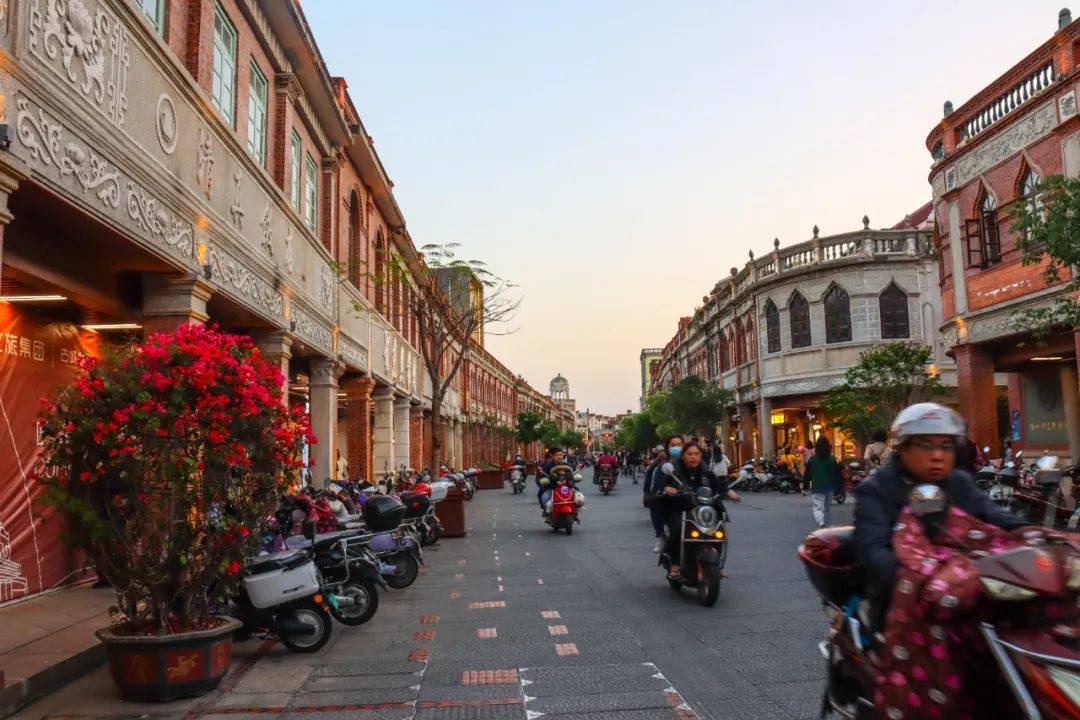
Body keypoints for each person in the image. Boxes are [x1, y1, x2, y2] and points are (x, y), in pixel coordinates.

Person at [852, 403, 1026, 624]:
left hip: (971, 595)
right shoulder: (876, 488)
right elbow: (873, 551)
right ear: (903, 447)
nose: (937, 455)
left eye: (946, 446)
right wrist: (926, 580)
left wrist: (1031, 534)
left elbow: (996, 516)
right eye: (925, 445)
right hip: (902, 604)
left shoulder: (959, 482)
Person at [654, 441, 739, 580]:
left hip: (703, 506)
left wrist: (729, 492)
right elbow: (663, 482)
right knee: (677, 528)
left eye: (696, 454)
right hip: (679, 506)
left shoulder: (705, 470)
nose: (693, 457)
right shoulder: (674, 469)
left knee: (717, 529)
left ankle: (715, 565)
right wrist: (668, 488)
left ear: (700, 455)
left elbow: (718, 484)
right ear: (683, 456)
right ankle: (675, 564)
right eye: (690, 454)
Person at [644, 437, 682, 553]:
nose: (676, 447)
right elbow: (657, 481)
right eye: (673, 445)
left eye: (679, 444)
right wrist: (665, 488)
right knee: (655, 504)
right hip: (670, 498)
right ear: (667, 448)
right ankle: (662, 537)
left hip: (690, 498)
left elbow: (707, 475)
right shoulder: (663, 464)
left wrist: (724, 489)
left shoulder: (691, 459)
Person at [805, 436, 841, 528]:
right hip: (829, 487)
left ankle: (821, 522)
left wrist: (805, 488)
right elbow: (836, 474)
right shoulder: (832, 458)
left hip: (817, 486)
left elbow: (807, 475)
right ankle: (827, 526)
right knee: (827, 508)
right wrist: (838, 488)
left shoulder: (813, 460)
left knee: (818, 507)